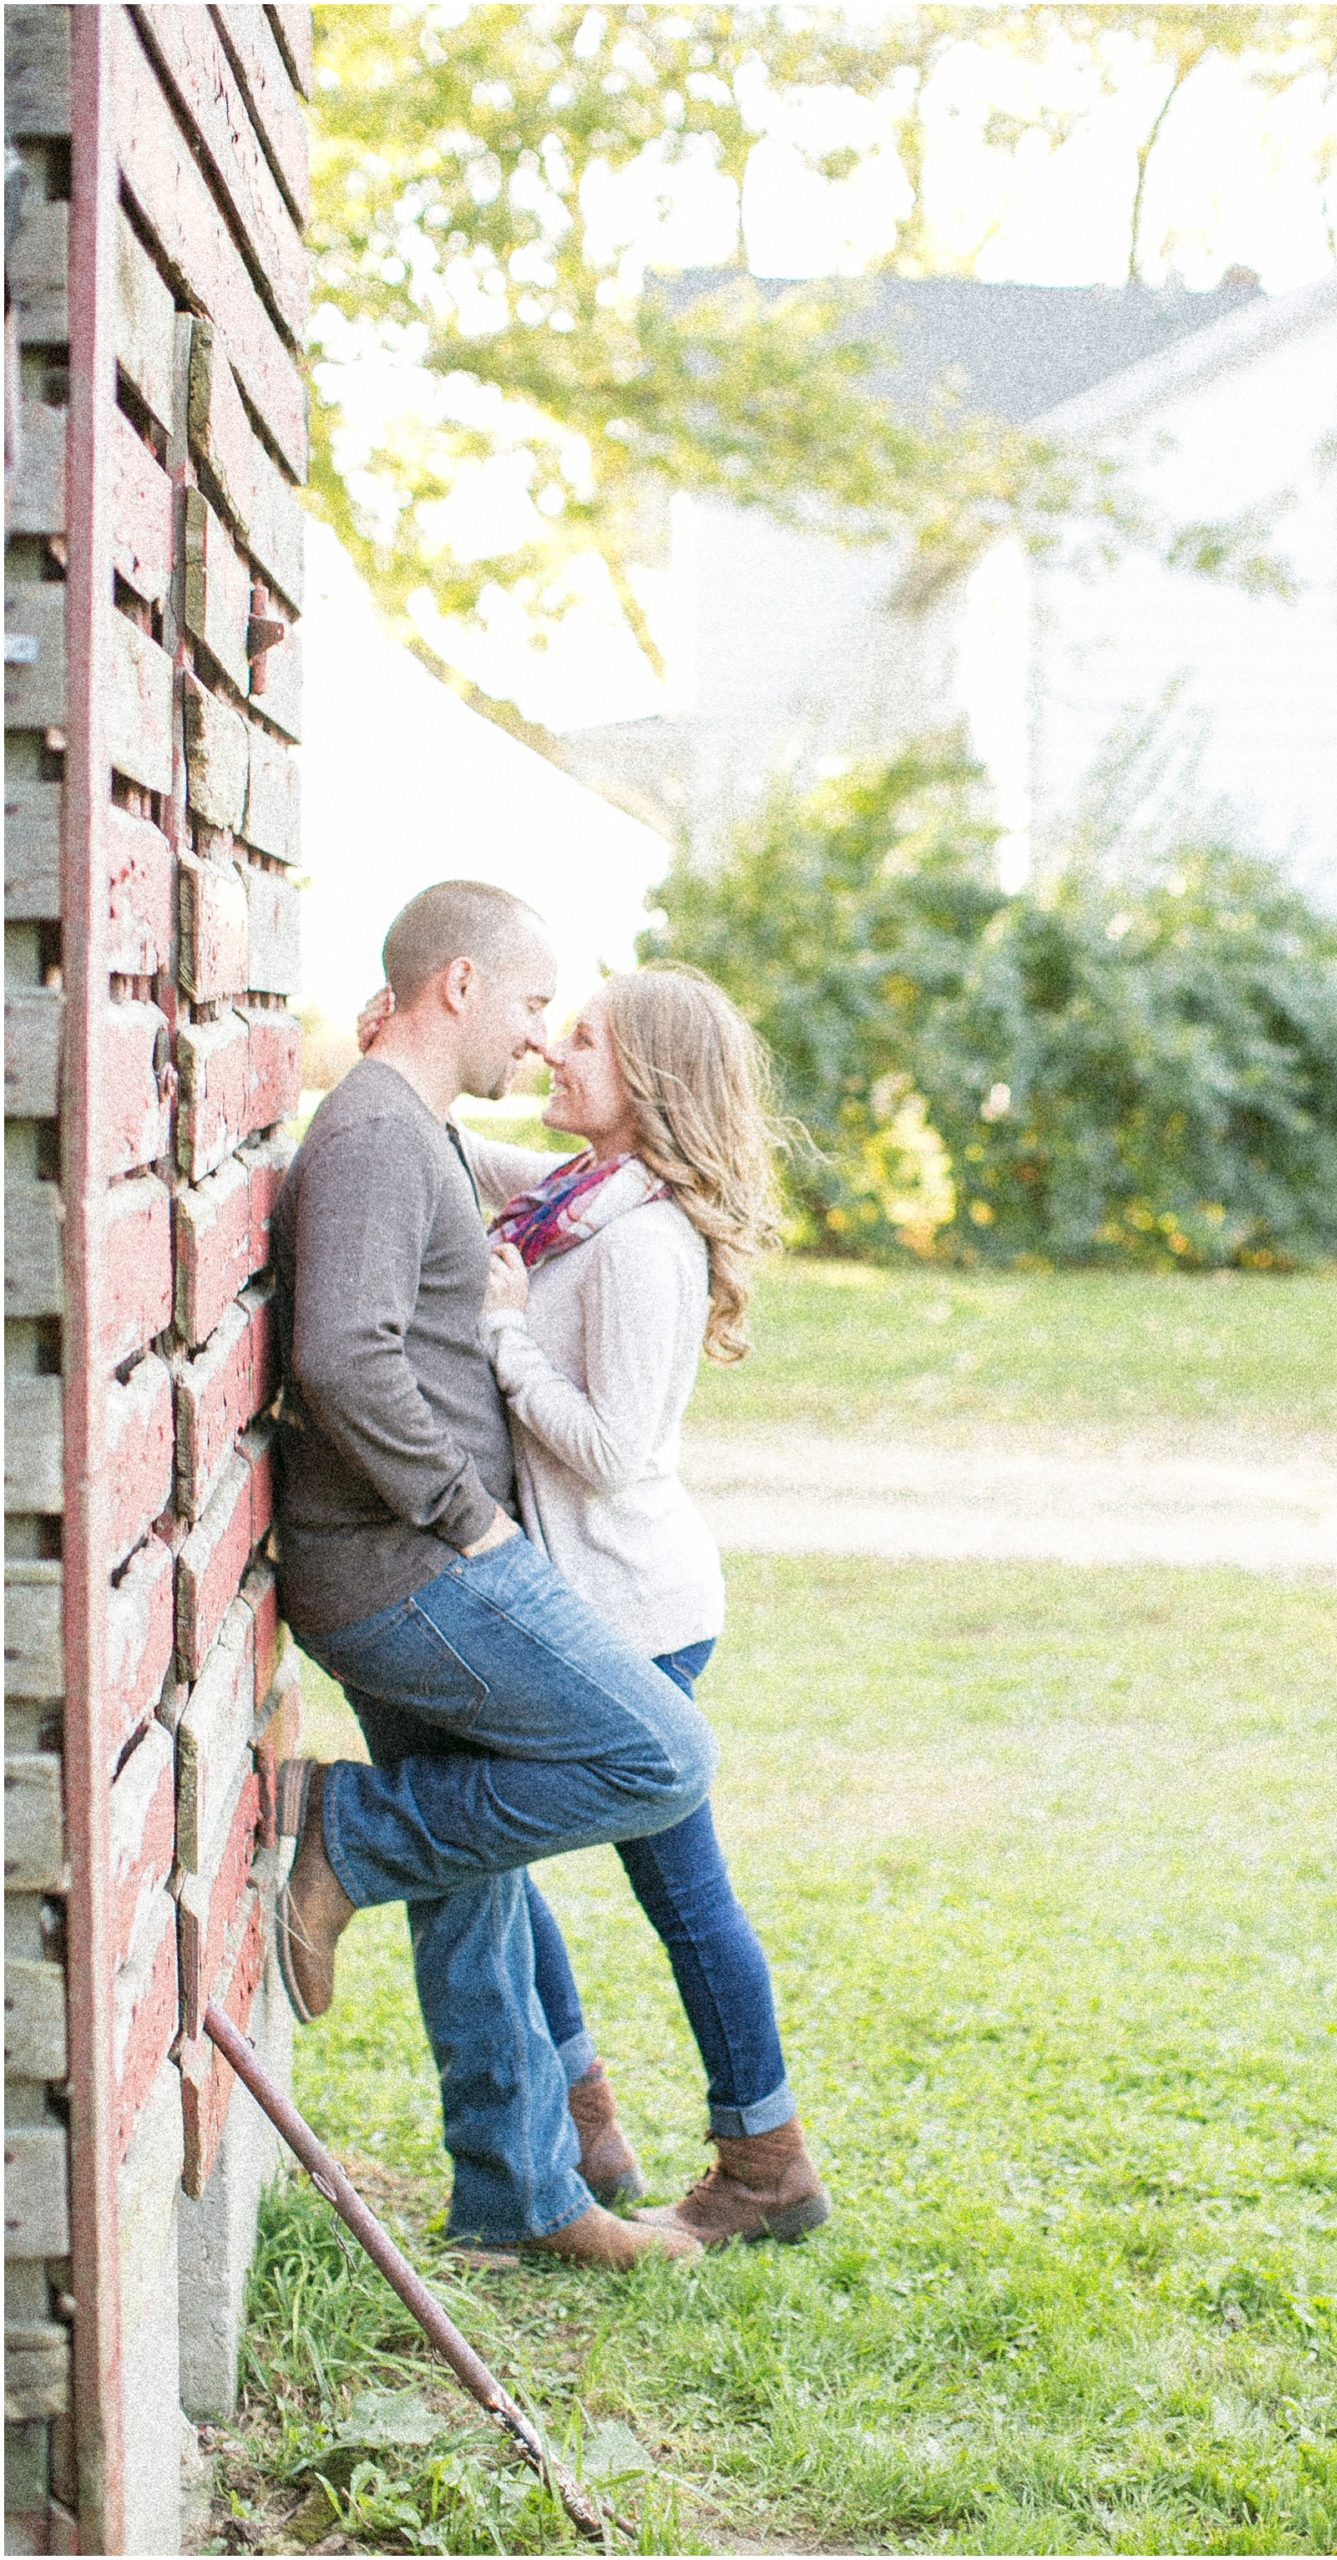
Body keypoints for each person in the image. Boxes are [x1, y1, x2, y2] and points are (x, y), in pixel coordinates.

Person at [270, 881, 717, 2270]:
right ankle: (343, 1836)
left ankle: (518, 2201)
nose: (538, 1041)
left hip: (404, 1552)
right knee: (659, 1754)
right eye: (532, 1006)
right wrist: (464, 1515)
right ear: (458, 987)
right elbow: (341, 1356)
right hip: (411, 1562)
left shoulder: (415, 1132)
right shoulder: (375, 1138)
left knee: (477, 1878)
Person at [354, 964, 829, 2248]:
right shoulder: (580, 1196)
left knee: (681, 1894)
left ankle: (765, 2165)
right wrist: (402, 1057)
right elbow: (459, 1151)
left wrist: (506, 1340)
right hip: (583, 1598)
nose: (555, 1054)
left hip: (634, 1612)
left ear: (652, 1083)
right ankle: (582, 2126)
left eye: (585, 1042)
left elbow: (610, 1449)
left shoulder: (640, 1244)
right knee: (489, 1845)